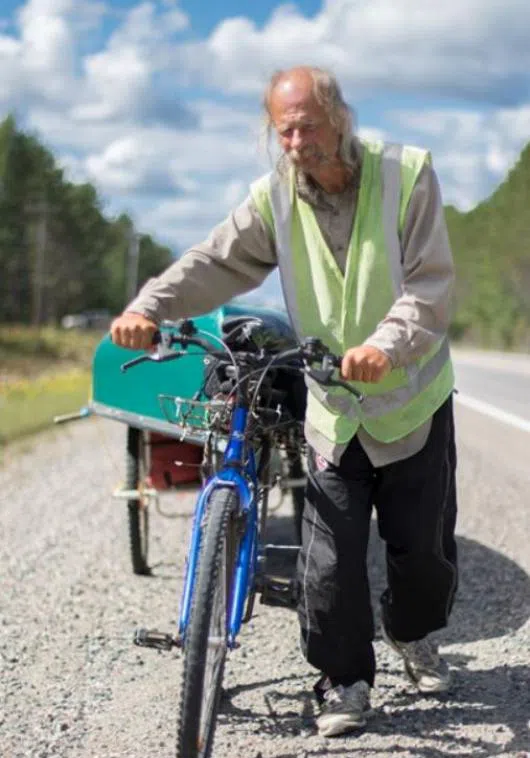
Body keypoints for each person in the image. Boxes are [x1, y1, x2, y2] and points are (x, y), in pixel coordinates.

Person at [111, 66, 458, 738]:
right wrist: (149, 305)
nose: (297, 141)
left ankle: (411, 633)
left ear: (340, 117)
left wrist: (387, 344)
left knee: (422, 557)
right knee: (327, 561)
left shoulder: (406, 176)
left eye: (308, 125)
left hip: (410, 399)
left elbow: (430, 284)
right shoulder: (274, 198)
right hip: (333, 405)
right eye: (284, 129)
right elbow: (214, 260)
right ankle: (343, 681)